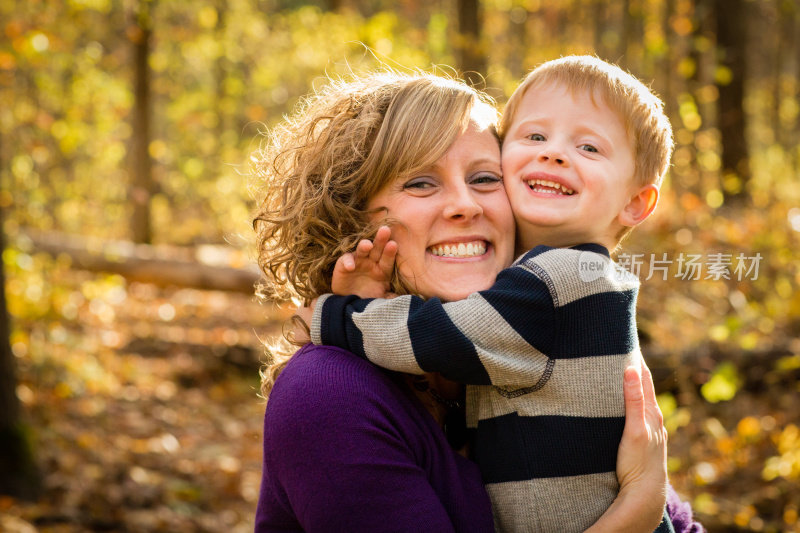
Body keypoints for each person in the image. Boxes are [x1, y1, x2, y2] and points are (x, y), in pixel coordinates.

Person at [252, 69, 699, 532]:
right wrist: (637, 509)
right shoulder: (329, 396)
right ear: (349, 215)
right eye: (421, 184)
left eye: (485, 178)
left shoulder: (522, 352)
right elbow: (642, 504)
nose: (465, 205)